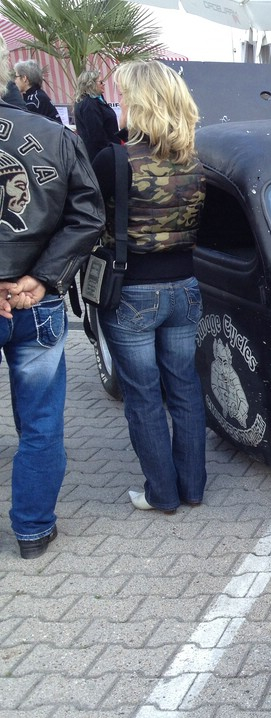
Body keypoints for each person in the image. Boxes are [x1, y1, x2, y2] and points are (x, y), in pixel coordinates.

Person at [0, 37, 105, 559]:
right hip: (34, 300)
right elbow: (88, 216)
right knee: (41, 422)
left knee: (40, 421)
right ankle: (33, 531)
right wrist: (42, 279)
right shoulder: (54, 135)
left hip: (29, 293)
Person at [91, 60, 208, 514]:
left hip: (133, 291)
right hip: (186, 287)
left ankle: (162, 493)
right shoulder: (195, 161)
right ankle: (192, 487)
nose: (116, 103)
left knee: (143, 395)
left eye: (121, 96)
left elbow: (87, 218)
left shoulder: (114, 159)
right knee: (185, 387)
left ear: (140, 103)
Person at [73, 70, 120, 161]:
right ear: (91, 84)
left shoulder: (95, 99)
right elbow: (96, 134)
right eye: (101, 82)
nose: (104, 84)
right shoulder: (89, 104)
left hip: (105, 151)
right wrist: (110, 152)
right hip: (101, 155)